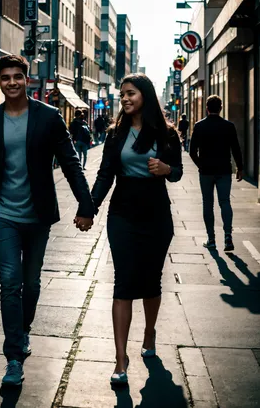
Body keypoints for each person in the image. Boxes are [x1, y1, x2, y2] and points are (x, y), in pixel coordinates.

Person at [0, 55, 94, 386]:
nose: (11, 82)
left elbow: (70, 162)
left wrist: (86, 204)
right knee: (10, 282)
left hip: (37, 216)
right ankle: (14, 356)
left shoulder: (48, 118)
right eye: (5, 77)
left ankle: (23, 330)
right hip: (3, 214)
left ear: (27, 79)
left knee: (31, 284)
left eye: (17, 76)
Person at [91, 73, 183, 386]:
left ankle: (149, 331)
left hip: (156, 214)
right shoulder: (116, 134)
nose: (126, 99)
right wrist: (87, 209)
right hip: (122, 214)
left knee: (151, 280)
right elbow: (104, 175)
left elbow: (178, 173)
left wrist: (166, 168)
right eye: (122, 95)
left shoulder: (166, 133)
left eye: (131, 93)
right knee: (124, 282)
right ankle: (120, 359)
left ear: (144, 94)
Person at [189, 95, 243, 252]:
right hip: (224, 170)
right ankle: (228, 237)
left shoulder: (199, 126)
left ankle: (211, 239)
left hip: (206, 171)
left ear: (207, 108)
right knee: (225, 202)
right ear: (221, 108)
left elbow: (192, 151)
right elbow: (236, 149)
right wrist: (240, 168)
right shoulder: (229, 126)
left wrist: (201, 165)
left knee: (208, 203)